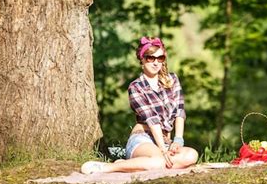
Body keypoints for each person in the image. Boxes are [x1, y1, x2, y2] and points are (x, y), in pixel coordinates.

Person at [81, 36, 199, 174]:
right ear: (142, 59)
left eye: (160, 58)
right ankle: (109, 167)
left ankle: (132, 165)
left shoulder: (172, 80)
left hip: (166, 140)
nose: (156, 63)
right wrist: (162, 149)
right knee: (159, 161)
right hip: (144, 138)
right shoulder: (136, 87)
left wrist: (178, 140)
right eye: (150, 58)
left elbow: (179, 111)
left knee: (192, 155)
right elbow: (152, 120)